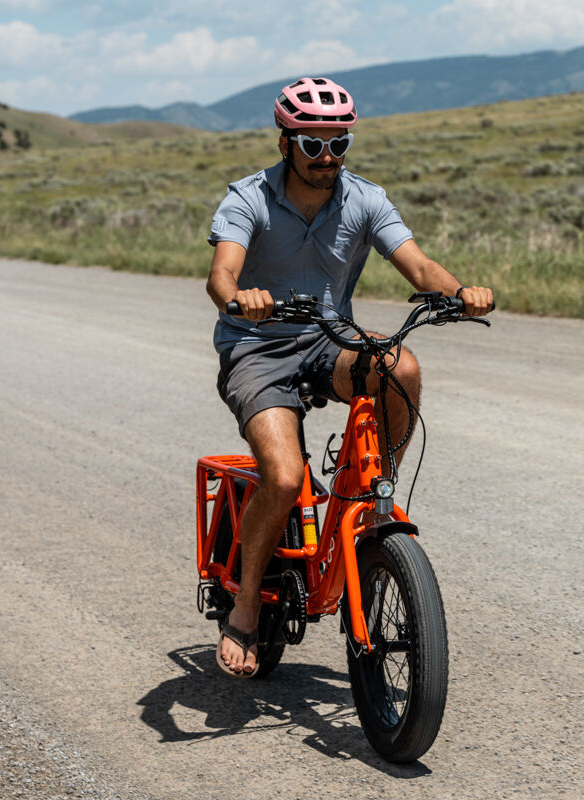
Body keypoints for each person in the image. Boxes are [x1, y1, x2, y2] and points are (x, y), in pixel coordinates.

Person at [205, 77, 494, 677]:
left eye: (340, 143)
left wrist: (459, 293)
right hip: (258, 349)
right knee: (282, 480)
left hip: (327, 341)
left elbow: (417, 264)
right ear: (286, 143)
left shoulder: (364, 198)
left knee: (400, 367)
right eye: (314, 146)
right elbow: (221, 276)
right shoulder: (248, 199)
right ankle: (243, 610)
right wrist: (241, 299)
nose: (328, 158)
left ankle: (375, 495)